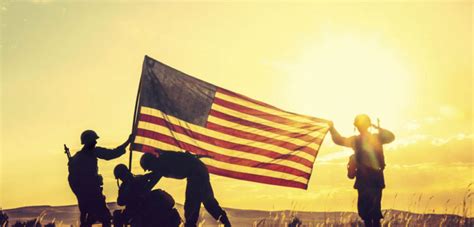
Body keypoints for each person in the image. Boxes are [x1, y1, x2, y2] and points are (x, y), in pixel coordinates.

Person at [328, 115, 395, 227]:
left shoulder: (358, 140)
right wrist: (378, 128)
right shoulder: (376, 138)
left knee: (369, 216)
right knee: (373, 215)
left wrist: (332, 128)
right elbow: (391, 137)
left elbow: (339, 140)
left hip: (366, 181)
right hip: (374, 180)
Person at [140, 150, 231, 227]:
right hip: (199, 170)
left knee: (193, 203)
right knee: (207, 202)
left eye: (149, 168)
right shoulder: (161, 162)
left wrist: (141, 193)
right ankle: (225, 222)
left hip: (196, 173)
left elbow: (153, 180)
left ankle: (194, 224)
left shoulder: (161, 163)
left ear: (151, 162)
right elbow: (154, 175)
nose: (150, 170)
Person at [67, 130, 132, 227]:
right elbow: (112, 154)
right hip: (93, 194)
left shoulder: (77, 157)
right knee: (105, 218)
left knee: (87, 220)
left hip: (84, 195)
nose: (96, 142)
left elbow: (71, 179)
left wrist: (80, 194)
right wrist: (128, 141)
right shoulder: (92, 152)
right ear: (88, 141)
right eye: (94, 140)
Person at [113, 164, 181, 227]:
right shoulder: (124, 187)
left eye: (122, 176)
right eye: (121, 177)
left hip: (143, 207)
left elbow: (153, 177)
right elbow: (120, 202)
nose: (122, 178)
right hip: (133, 209)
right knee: (118, 215)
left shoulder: (139, 179)